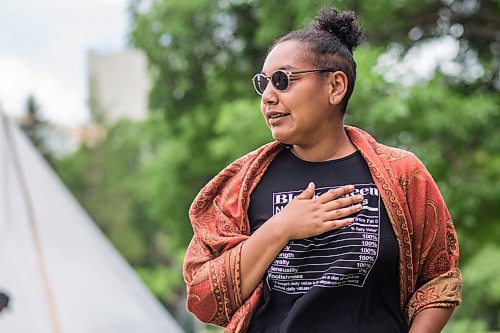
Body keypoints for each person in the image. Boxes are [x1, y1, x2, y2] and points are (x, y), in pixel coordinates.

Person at [183, 7, 461, 333]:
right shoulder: (244, 184)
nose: (268, 97)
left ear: (335, 87)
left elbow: (439, 280)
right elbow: (204, 299)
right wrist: (282, 227)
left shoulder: (403, 174)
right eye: (264, 84)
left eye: (283, 80)